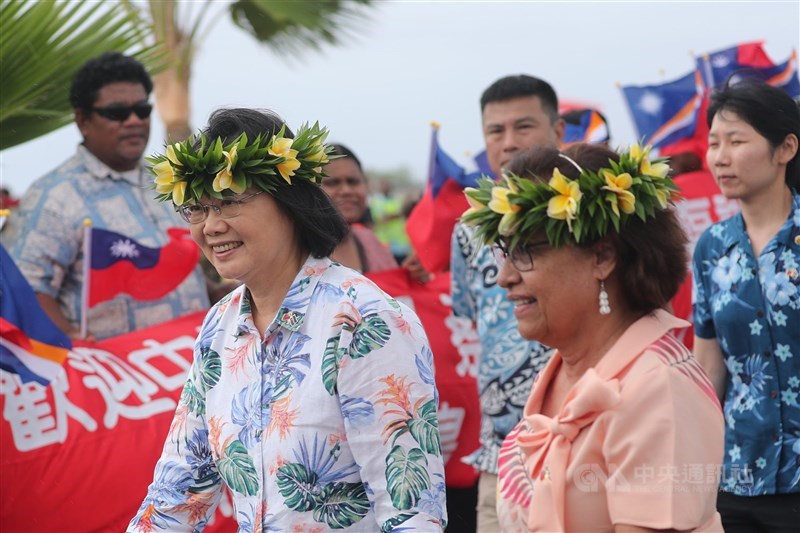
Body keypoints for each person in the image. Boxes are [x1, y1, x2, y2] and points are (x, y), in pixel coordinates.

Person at [128, 108, 447, 531]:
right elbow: (178, 492)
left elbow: (410, 511)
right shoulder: (219, 327)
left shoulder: (364, 320)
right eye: (197, 209)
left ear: (289, 202)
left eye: (229, 202)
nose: (212, 226)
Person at [462, 142, 724, 531]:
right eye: (505, 254)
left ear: (602, 257)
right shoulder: (563, 367)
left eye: (527, 253)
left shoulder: (658, 389)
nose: (505, 277)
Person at [6, 52, 209, 340]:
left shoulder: (167, 178)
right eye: (117, 113)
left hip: (189, 367)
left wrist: (217, 293)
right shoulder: (53, 196)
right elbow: (25, 290)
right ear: (83, 120)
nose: (134, 121)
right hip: (116, 378)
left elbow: (183, 269)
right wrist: (69, 340)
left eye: (142, 110)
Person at [449, 74, 564, 530]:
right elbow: (471, 316)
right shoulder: (467, 228)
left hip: (580, 450)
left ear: (558, 132)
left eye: (524, 127)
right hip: (500, 457)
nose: (509, 142)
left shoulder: (590, 219)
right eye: (495, 131)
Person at [692, 79, 800, 531]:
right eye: (715, 143)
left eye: (737, 141)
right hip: (736, 476)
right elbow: (709, 367)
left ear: (785, 148)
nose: (720, 157)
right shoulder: (712, 247)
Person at [322, 144, 398, 272]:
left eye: (353, 181)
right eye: (333, 182)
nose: (346, 190)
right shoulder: (296, 251)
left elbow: (392, 285)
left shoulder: (369, 241)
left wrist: (412, 277)